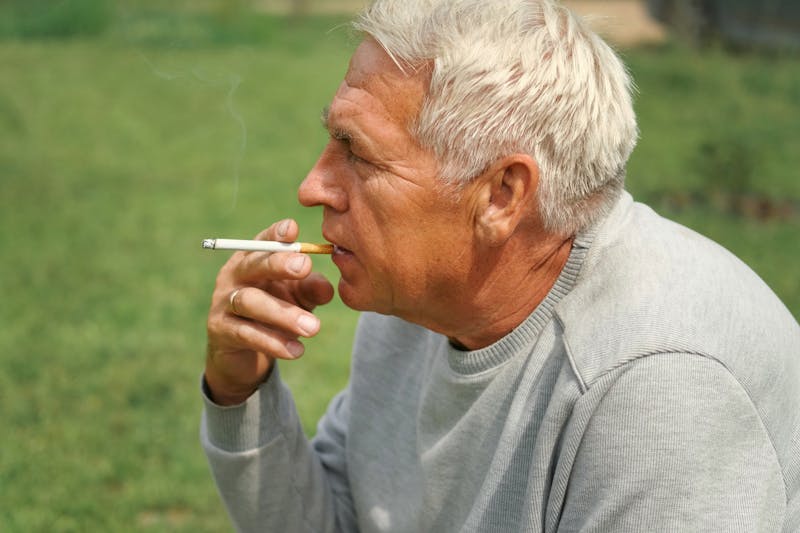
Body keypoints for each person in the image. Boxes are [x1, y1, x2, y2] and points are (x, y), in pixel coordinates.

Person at [200, 0, 800, 531]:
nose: (312, 187)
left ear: (501, 196)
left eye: (360, 154)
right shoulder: (420, 302)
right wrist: (239, 390)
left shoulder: (658, 389)